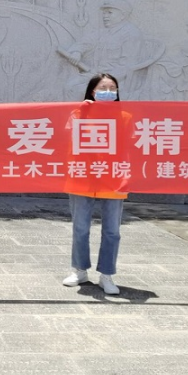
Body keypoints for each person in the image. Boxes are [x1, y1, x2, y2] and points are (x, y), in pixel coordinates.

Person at [62, 73, 128, 296]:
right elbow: (67, 139)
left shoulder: (125, 116)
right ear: (92, 91)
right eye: (103, 88)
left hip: (113, 177)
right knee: (80, 228)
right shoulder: (78, 113)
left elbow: (131, 147)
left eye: (112, 88)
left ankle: (106, 274)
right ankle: (79, 270)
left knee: (112, 231)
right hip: (82, 176)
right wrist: (82, 112)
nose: (108, 92)